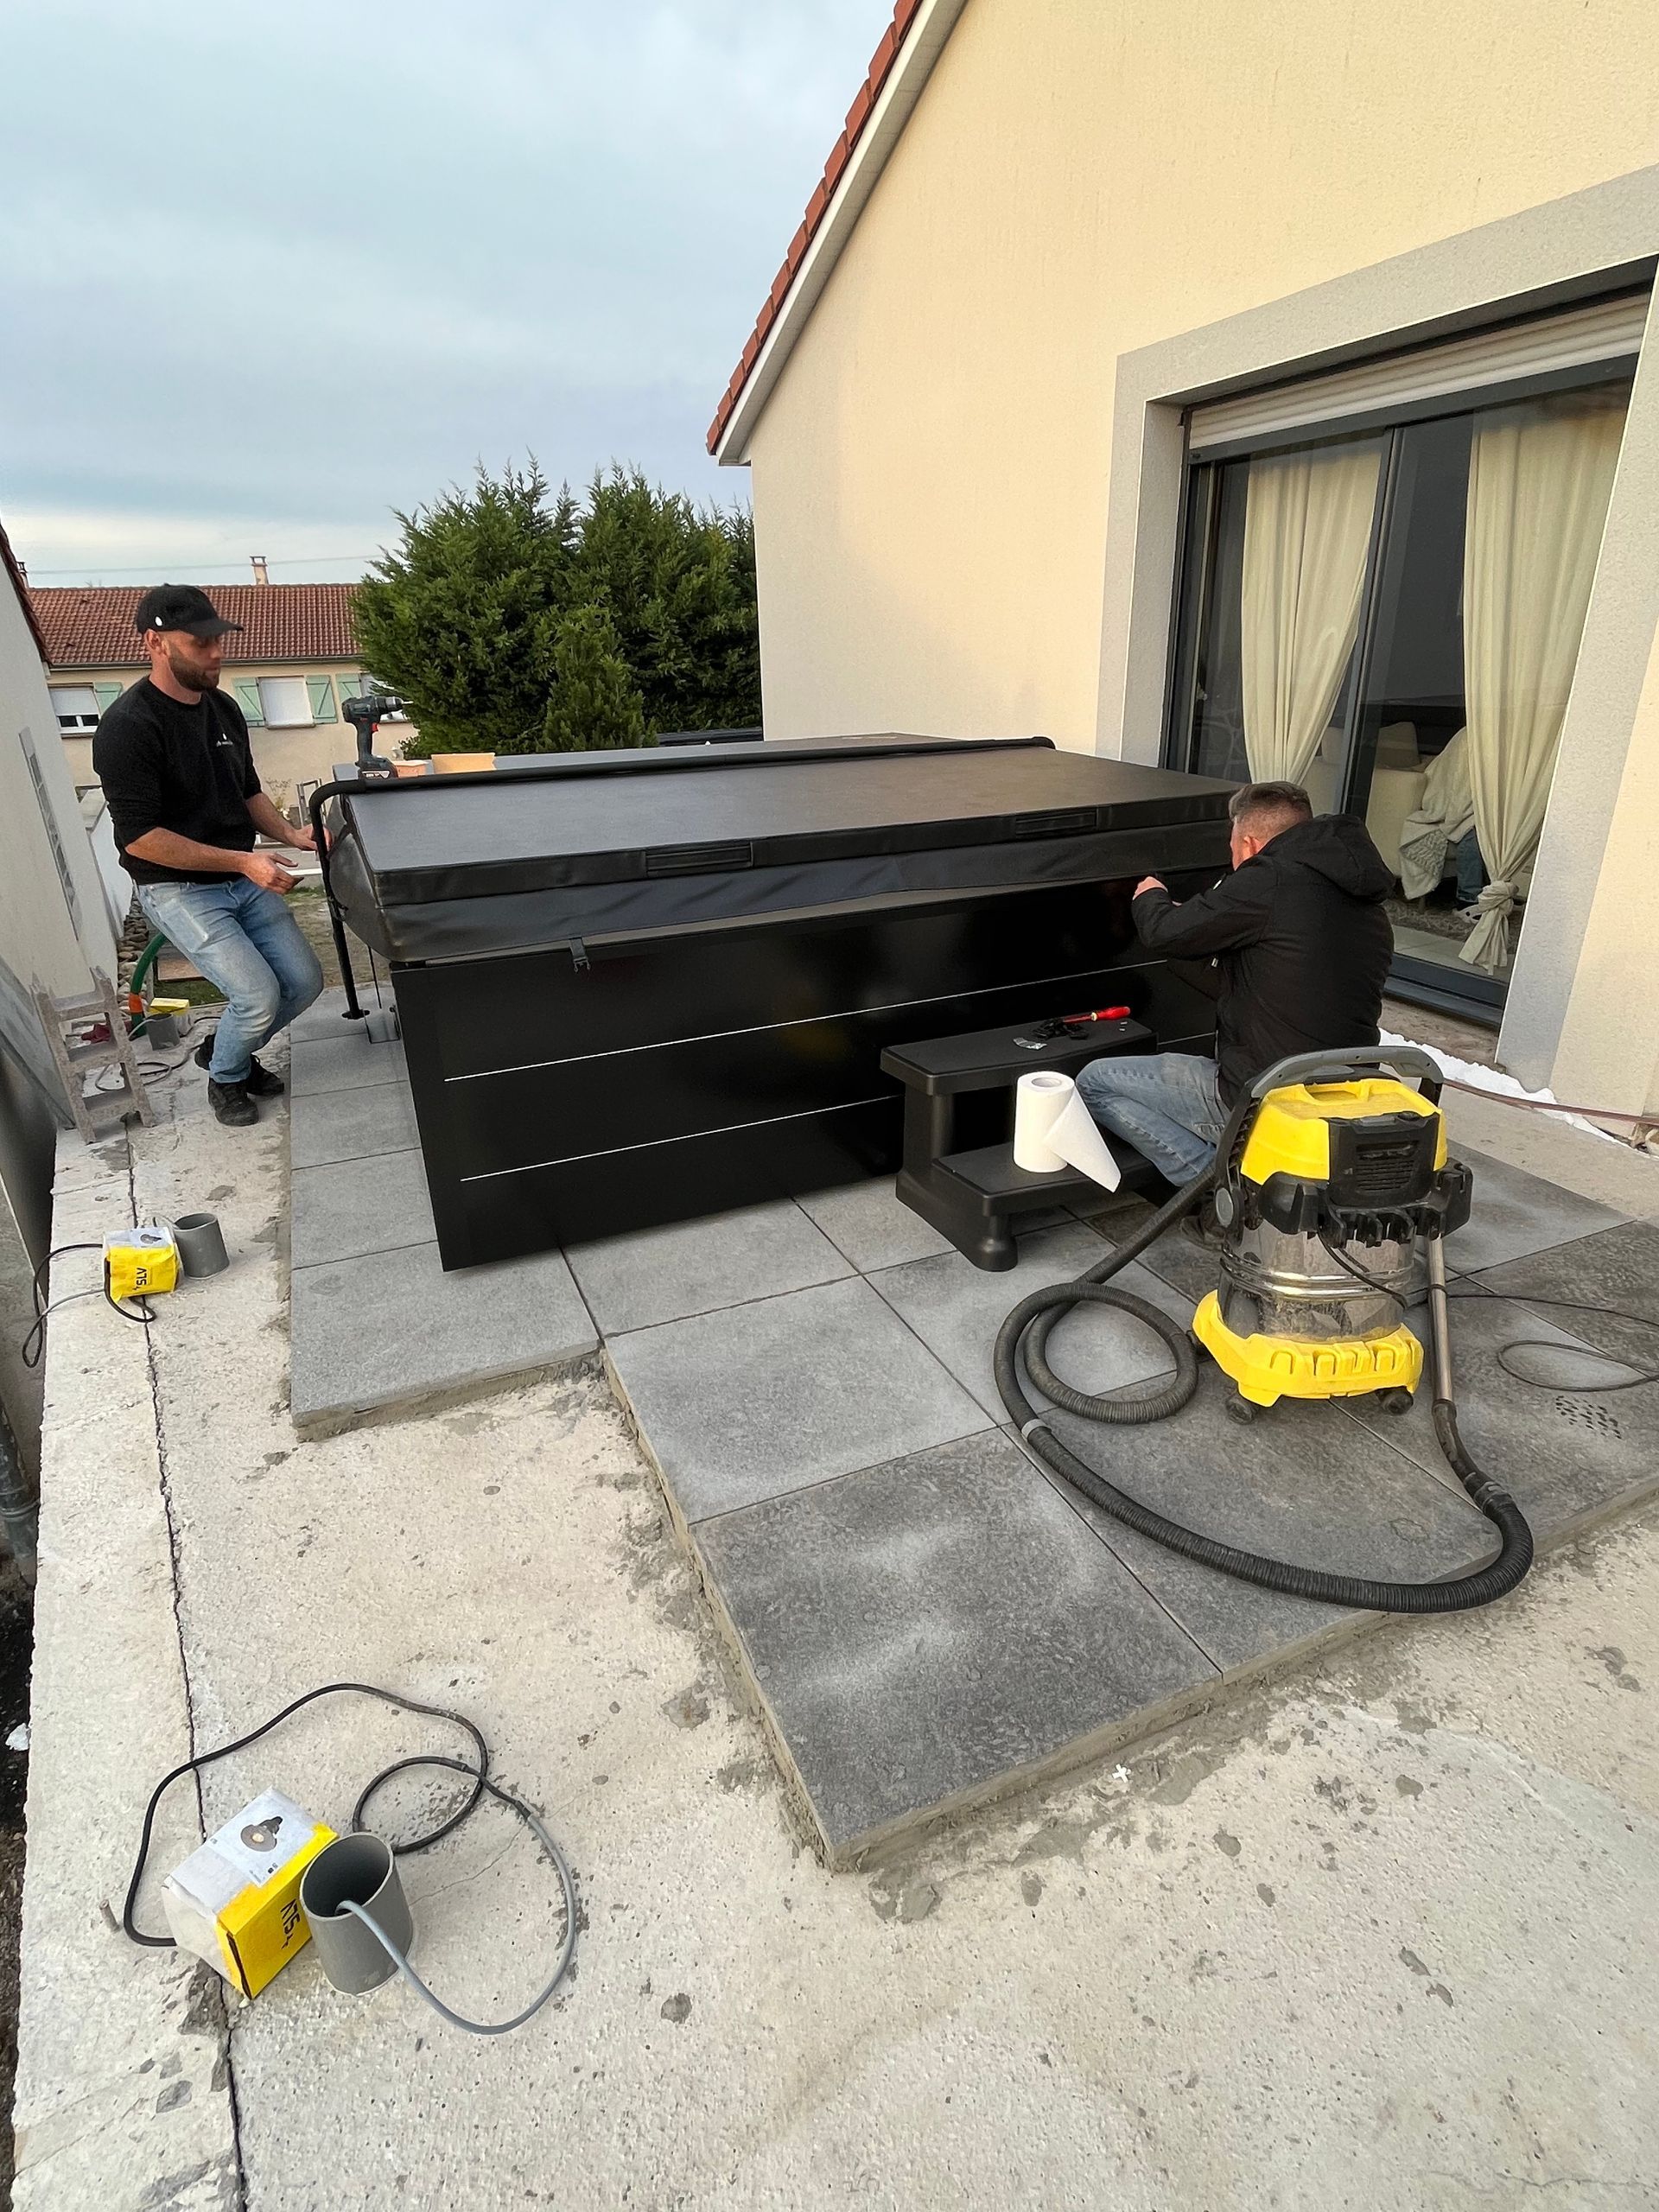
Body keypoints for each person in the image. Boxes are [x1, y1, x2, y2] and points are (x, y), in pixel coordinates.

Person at [1076, 780, 1394, 1207]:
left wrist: (1150, 895)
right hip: (1345, 1085)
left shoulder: (1268, 879)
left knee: (1095, 1082)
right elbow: (1272, 974)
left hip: (1265, 1092)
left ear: (1248, 843)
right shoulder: (1362, 899)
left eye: (1231, 849)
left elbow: (1163, 932)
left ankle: (1216, 1195)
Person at [92, 584, 324, 1128]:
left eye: (218, 639)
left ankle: (229, 1051)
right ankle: (225, 1079)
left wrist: (293, 836)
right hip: (176, 888)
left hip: (241, 877)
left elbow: (247, 791)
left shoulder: (222, 707)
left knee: (305, 982)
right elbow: (140, 838)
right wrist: (244, 862)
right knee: (258, 994)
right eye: (200, 642)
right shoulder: (127, 728)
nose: (216, 652)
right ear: (155, 642)